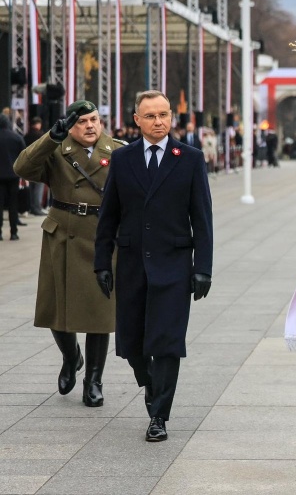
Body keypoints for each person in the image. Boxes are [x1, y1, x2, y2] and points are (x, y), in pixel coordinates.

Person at [94, 90, 213, 442]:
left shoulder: (189, 158)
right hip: (131, 263)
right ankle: (150, 384)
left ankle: (159, 415)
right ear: (137, 120)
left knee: (166, 342)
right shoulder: (123, 158)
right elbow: (109, 215)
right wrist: (102, 262)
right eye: (151, 116)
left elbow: (202, 218)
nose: (159, 121)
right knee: (132, 344)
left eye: (164, 115)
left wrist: (202, 267)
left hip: (174, 264)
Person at [13, 101, 119, 406]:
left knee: (99, 313)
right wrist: (50, 138)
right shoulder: (57, 150)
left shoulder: (119, 151)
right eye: (83, 121)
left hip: (102, 236)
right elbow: (22, 167)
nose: (90, 126)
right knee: (55, 309)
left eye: (95, 120)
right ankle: (71, 357)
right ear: (70, 125)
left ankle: (93, 380)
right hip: (62, 235)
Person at [0, 114, 25, 240]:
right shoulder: (16, 137)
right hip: (13, 175)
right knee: (13, 204)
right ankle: (13, 232)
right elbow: (24, 156)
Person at [24, 117, 46, 216]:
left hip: (28, 165)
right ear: (38, 124)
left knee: (31, 188)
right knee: (38, 187)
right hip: (39, 165)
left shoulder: (26, 136)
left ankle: (31, 206)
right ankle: (37, 207)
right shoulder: (40, 135)